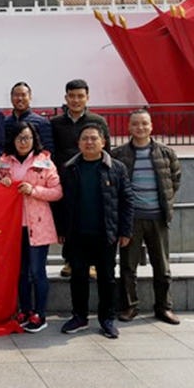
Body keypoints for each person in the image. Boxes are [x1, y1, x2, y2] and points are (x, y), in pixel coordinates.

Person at [59, 123, 133, 340]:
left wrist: (125, 231)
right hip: (77, 234)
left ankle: (107, 319)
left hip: (106, 234)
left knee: (107, 279)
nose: (89, 142)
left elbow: (127, 200)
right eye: (85, 139)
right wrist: (62, 229)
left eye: (94, 138)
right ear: (78, 143)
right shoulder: (69, 168)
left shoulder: (116, 168)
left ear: (103, 142)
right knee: (78, 277)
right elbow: (62, 203)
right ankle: (79, 317)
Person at [112, 109, 182, 325]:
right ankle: (130, 306)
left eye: (144, 123)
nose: (140, 128)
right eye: (135, 124)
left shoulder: (166, 153)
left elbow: (174, 180)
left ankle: (164, 307)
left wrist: (164, 204)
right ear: (128, 127)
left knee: (162, 266)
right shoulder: (118, 154)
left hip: (158, 217)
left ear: (151, 126)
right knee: (128, 266)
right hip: (131, 219)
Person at [0, 122, 62, 333]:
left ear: (34, 140)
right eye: (19, 138)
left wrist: (33, 190)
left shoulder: (44, 161)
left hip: (38, 225)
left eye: (27, 138)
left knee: (37, 271)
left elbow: (57, 192)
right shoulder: (5, 161)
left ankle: (40, 314)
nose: (23, 142)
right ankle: (25, 311)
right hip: (14, 225)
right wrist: (3, 185)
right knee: (21, 272)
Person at [50, 79, 111, 278]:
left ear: (87, 97)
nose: (76, 100)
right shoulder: (56, 123)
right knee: (69, 219)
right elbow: (52, 151)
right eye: (72, 96)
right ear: (66, 98)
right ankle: (69, 260)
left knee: (90, 219)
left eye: (80, 96)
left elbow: (107, 150)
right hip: (66, 179)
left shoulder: (98, 121)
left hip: (92, 177)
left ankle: (92, 263)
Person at [4, 82, 54, 153]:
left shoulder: (41, 122)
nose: (20, 98)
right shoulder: (5, 123)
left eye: (23, 95)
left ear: (30, 98)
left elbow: (48, 150)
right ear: (11, 98)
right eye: (16, 95)